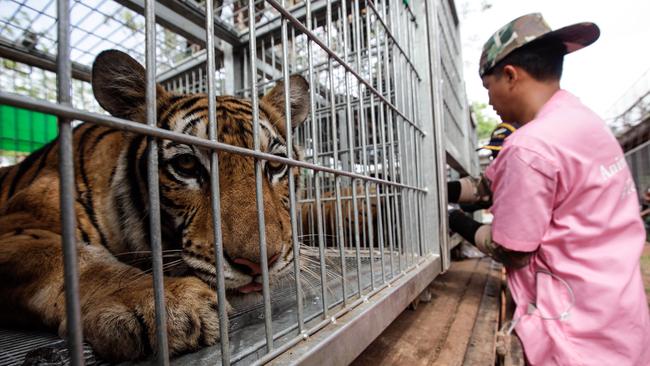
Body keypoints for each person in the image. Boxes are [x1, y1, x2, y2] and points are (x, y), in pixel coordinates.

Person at [449, 13, 650, 365]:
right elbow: (492, 183)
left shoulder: (529, 147)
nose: (491, 102)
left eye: (487, 89)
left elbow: (513, 250)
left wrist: (457, 222)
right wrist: (446, 190)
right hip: (617, 315)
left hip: (574, 334)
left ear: (510, 75)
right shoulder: (583, 122)